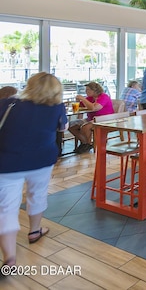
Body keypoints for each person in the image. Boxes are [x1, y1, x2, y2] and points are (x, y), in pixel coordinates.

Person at [0, 72, 68, 271]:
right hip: (41, 159)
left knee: (6, 208)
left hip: (7, 161)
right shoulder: (57, 108)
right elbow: (63, 127)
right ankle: (34, 231)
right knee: (36, 194)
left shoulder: (8, 103)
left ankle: (10, 257)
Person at [68, 81, 114, 152]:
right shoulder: (90, 98)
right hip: (91, 118)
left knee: (85, 127)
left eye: (88, 90)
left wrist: (83, 99)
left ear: (95, 90)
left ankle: (88, 144)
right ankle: (85, 143)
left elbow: (94, 108)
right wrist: (78, 101)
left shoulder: (104, 97)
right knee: (71, 126)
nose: (86, 91)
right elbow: (80, 106)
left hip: (104, 119)